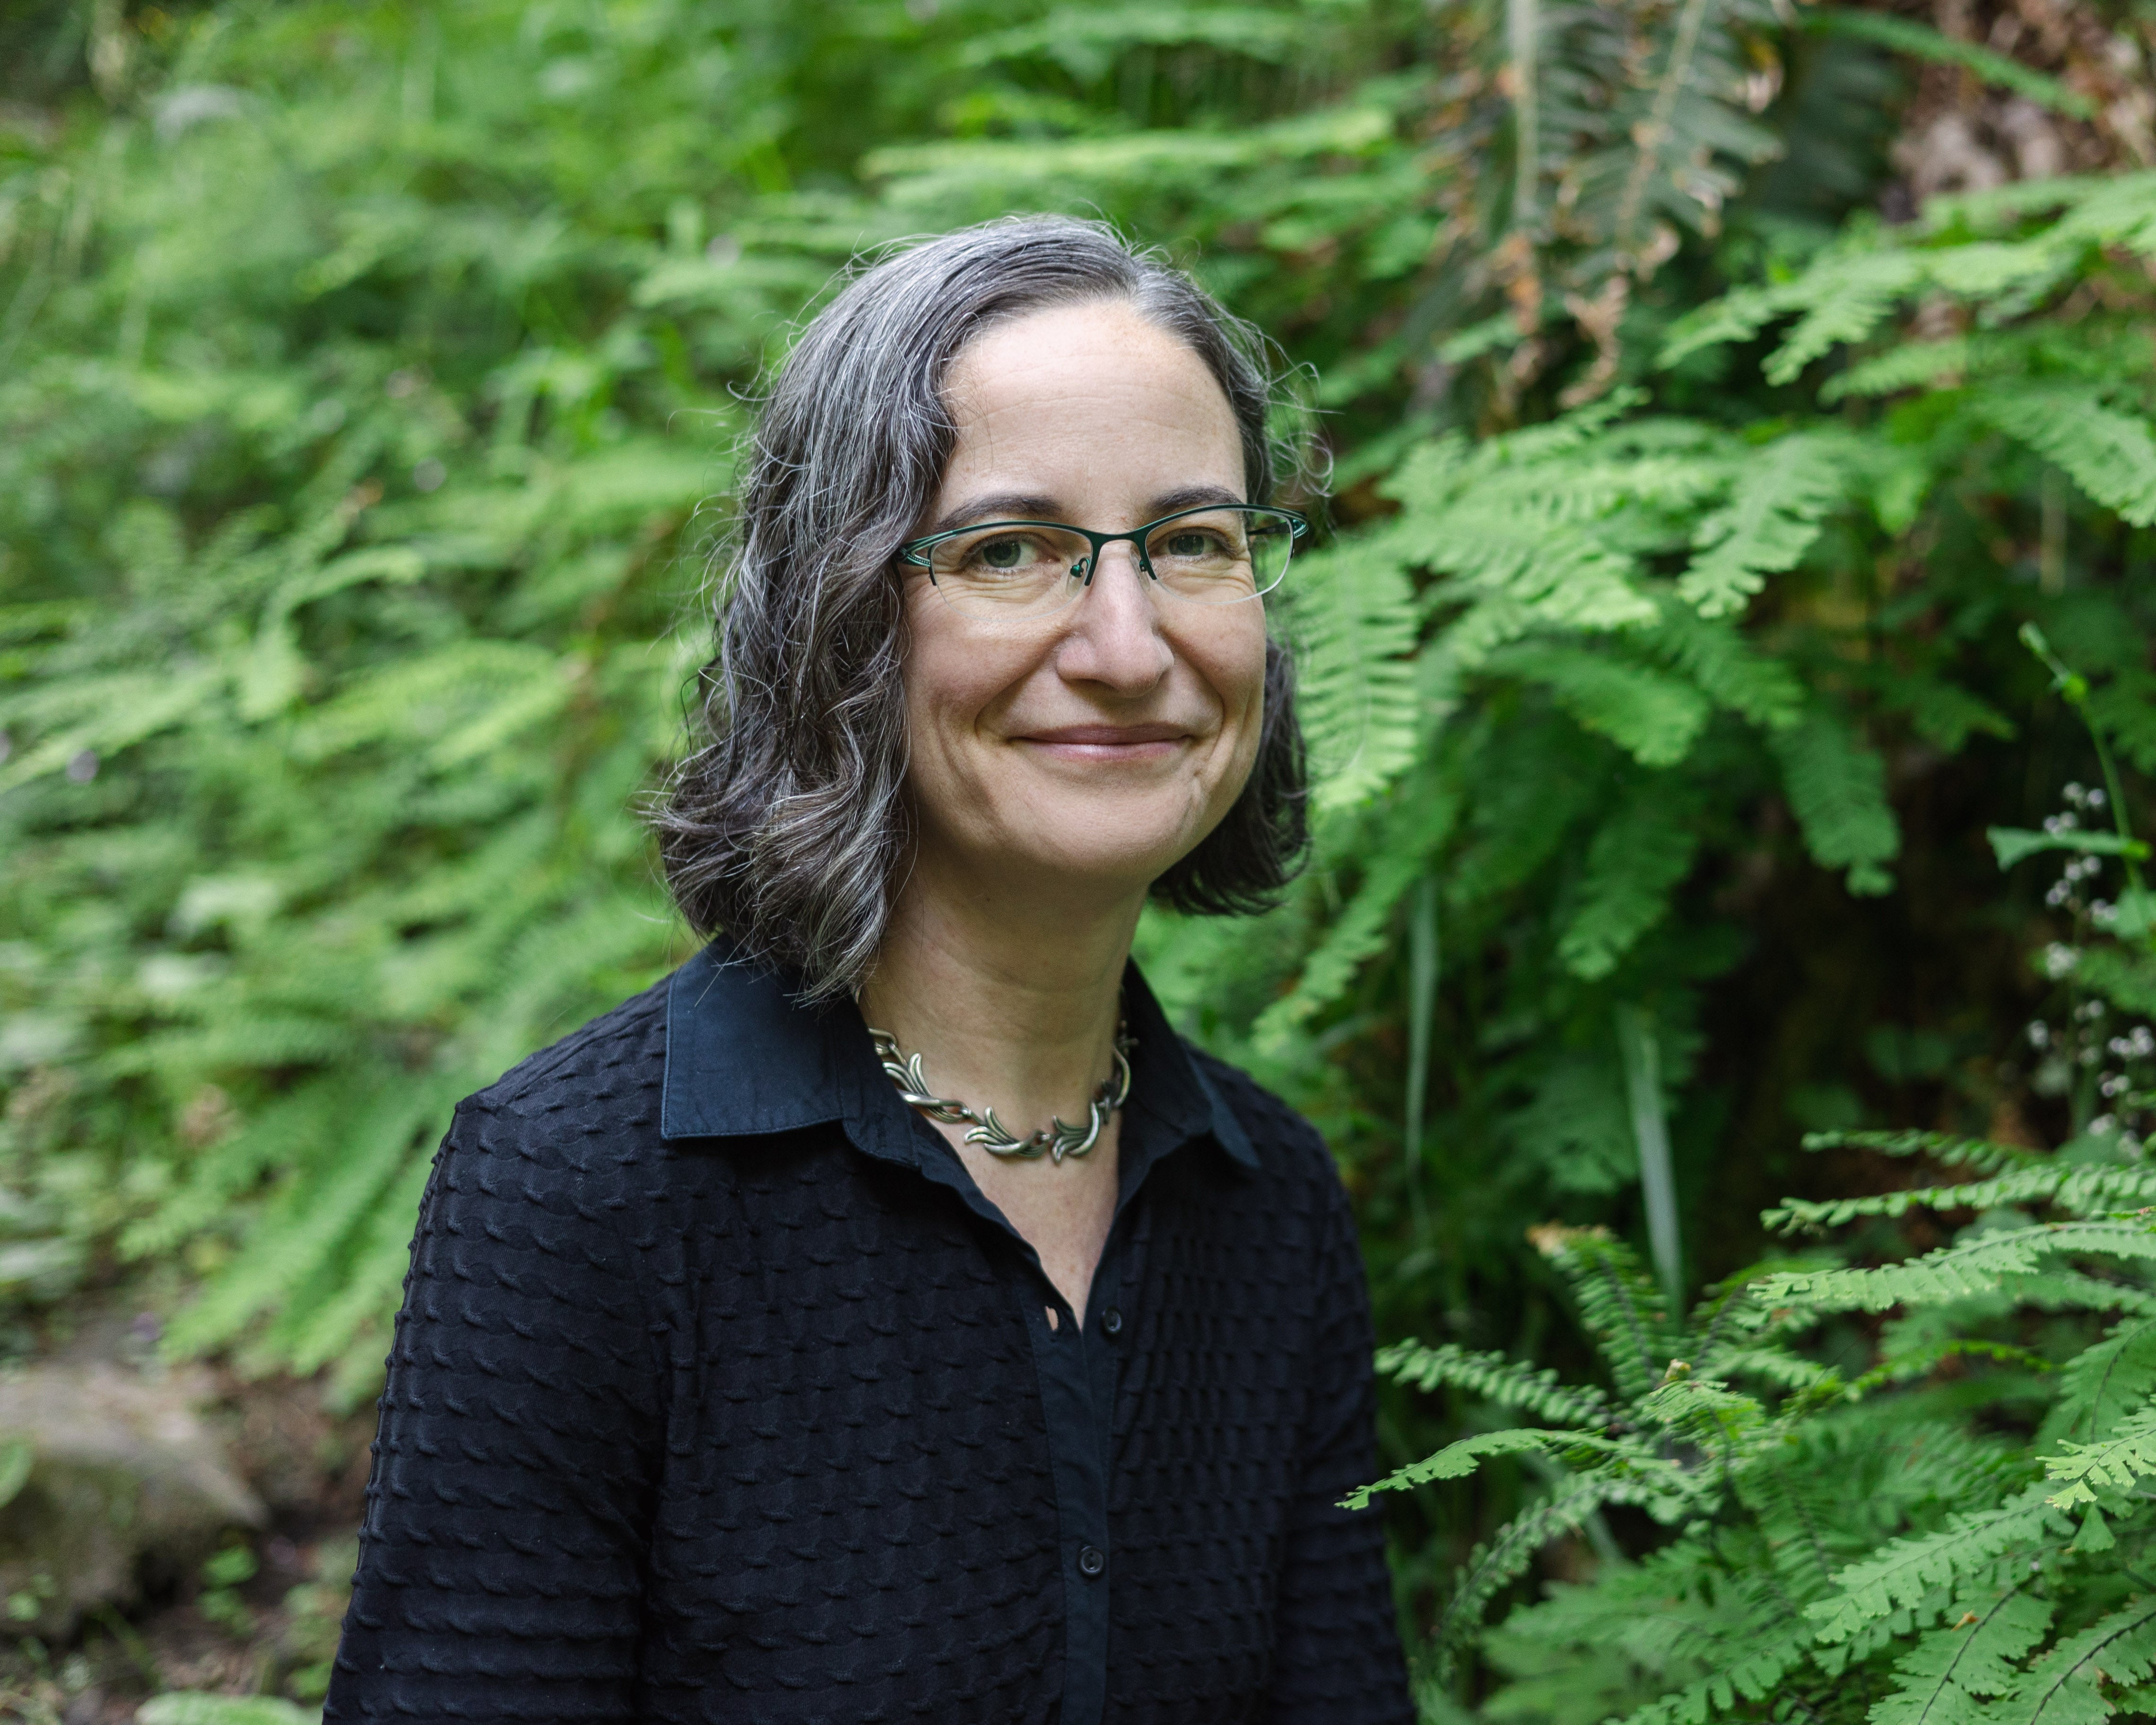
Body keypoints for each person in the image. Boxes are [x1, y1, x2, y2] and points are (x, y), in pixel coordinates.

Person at [324, 215, 1414, 1725]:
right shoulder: (579, 1193)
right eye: (1011, 550)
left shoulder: (1271, 1202)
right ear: (842, 623)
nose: (1125, 639)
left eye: (1192, 543)